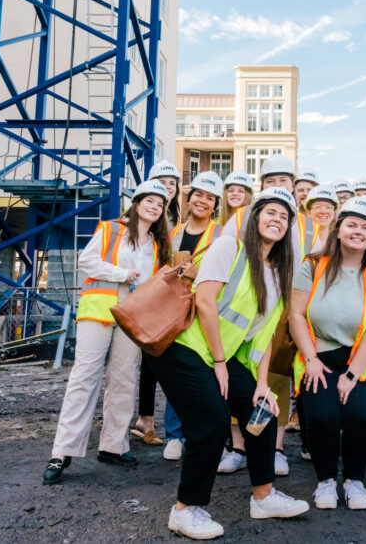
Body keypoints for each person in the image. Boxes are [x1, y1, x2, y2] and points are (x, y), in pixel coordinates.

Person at [146, 188, 309, 540]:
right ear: (254, 217)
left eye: (284, 217)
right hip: (183, 348)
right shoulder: (230, 247)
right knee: (212, 421)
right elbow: (205, 302)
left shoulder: (279, 273)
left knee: (261, 411)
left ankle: (263, 498)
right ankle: (185, 510)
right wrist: (220, 362)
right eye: (270, 213)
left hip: (219, 357)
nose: (277, 220)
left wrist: (261, 385)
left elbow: (262, 338)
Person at [42, 180, 171, 485]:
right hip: (98, 312)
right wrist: (120, 274)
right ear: (137, 202)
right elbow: (86, 261)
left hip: (132, 318)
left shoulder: (155, 245)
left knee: (124, 377)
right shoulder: (111, 229)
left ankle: (114, 445)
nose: (155, 207)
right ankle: (62, 452)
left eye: (160, 204)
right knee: (84, 377)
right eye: (150, 201)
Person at [288, 196, 366, 511]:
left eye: (365, 227)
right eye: (351, 224)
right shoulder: (312, 265)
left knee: (360, 418)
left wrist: (351, 375)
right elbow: (295, 315)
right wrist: (310, 360)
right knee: (322, 418)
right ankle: (325, 481)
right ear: (338, 229)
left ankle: (354, 479)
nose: (357, 231)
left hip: (362, 358)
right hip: (318, 354)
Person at [220, 154, 303, 477]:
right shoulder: (242, 218)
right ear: (262, 187)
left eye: (283, 181)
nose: (277, 186)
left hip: (286, 308)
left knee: (277, 378)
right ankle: (238, 447)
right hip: (245, 309)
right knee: (239, 374)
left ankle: (276, 448)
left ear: (293, 185)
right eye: (270, 182)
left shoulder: (304, 220)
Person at [135, 171, 225, 458]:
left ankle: (204, 433)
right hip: (174, 312)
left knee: (205, 376)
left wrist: (199, 274)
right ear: (189, 199)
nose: (202, 201)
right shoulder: (171, 234)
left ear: (215, 205)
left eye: (209, 198)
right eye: (198, 194)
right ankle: (175, 435)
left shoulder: (222, 235)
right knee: (176, 376)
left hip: (208, 312)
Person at [303, 185, 338, 253]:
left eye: (328, 207)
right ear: (309, 213)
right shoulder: (299, 239)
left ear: (334, 213)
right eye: (318, 207)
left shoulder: (340, 241)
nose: (323, 211)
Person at [148, 159, 182, 227]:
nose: (168, 187)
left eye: (172, 183)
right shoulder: (145, 211)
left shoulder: (171, 214)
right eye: (162, 182)